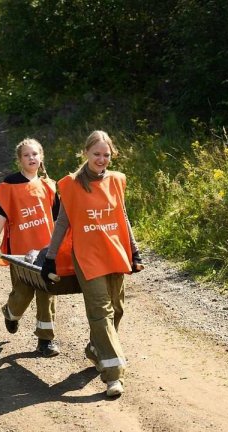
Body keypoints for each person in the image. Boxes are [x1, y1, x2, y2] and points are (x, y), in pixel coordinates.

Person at [40, 130, 143, 397]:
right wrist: (50, 258)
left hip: (115, 253)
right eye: (96, 154)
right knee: (100, 313)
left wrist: (134, 250)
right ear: (85, 152)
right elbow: (62, 223)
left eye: (106, 155)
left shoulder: (117, 181)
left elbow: (122, 216)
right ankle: (113, 375)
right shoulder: (71, 185)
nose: (101, 159)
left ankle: (96, 349)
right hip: (87, 257)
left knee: (117, 310)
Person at [0, 138, 72, 357]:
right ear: (20, 160)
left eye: (35, 154)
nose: (31, 158)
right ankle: (11, 312)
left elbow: (59, 219)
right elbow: (1, 216)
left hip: (46, 251)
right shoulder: (9, 185)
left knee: (47, 292)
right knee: (23, 292)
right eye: (26, 155)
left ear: (41, 157)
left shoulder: (49, 185)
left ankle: (45, 341)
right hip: (20, 251)